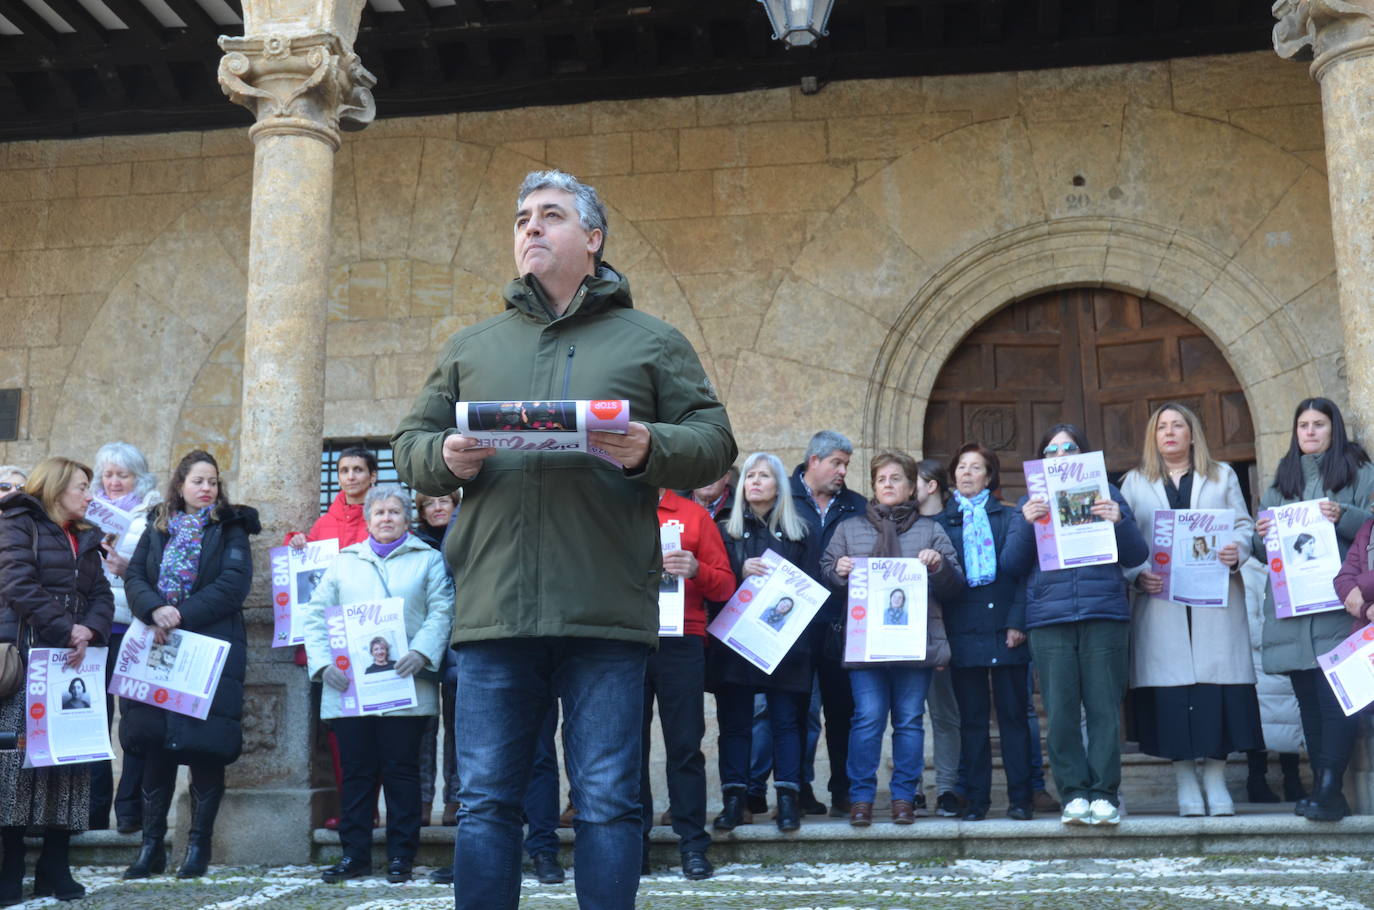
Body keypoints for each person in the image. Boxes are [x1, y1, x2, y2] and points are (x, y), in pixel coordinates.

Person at [392, 168, 735, 910]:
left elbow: (714, 441)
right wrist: (441, 460)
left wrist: (650, 447)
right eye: (521, 219)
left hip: (605, 609)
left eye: (550, 216)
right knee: (483, 801)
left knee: (608, 799)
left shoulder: (651, 341)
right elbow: (410, 440)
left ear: (593, 239)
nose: (531, 229)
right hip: (492, 611)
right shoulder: (472, 346)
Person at [121, 450, 260, 880]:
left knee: (206, 747)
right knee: (156, 742)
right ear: (179, 484)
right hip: (158, 647)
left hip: (209, 647)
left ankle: (197, 847)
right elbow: (135, 577)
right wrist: (154, 609)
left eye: (213, 482)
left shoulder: (230, 527)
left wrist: (178, 614)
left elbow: (233, 585)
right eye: (198, 481)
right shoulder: (156, 524)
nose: (206, 488)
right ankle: (151, 847)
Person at [304, 484, 454, 884]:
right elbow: (316, 615)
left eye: (394, 512)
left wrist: (422, 652)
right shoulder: (344, 562)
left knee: (402, 772)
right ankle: (355, 856)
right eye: (379, 513)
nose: (386, 518)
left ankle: (401, 857)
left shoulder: (429, 560)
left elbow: (442, 611)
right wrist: (321, 667)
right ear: (368, 519)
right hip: (351, 688)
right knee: (356, 773)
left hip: (407, 686)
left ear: (408, 518)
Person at [1002, 423, 1148, 827]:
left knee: (1103, 708)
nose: (1061, 455)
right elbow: (1011, 565)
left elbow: (1136, 555)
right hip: (1050, 619)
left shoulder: (1109, 494)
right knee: (1061, 711)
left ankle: (1104, 794)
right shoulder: (1027, 503)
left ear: (1083, 455)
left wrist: (1119, 520)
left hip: (1103, 614)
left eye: (1069, 448)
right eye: (1052, 450)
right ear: (1042, 460)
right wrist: (1029, 523)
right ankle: (1073, 794)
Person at [1120, 403, 1262, 817]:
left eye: (1177, 425)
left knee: (1216, 691)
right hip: (1161, 600)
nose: (1169, 432)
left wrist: (1237, 550)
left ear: (1192, 434)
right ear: (1153, 437)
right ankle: (1185, 780)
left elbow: (1243, 526)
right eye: (1161, 427)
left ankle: (1216, 780)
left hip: (1214, 601)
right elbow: (1123, 539)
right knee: (1172, 694)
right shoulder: (1133, 483)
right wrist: (1135, 574)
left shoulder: (1221, 475)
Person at [821, 451, 963, 827]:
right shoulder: (849, 529)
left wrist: (938, 565)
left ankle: (904, 798)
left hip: (914, 643)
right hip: (866, 643)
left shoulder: (931, 530)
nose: (888, 484)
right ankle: (862, 798)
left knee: (909, 721)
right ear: (873, 485)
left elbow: (954, 584)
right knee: (867, 718)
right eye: (881, 479)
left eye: (896, 478)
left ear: (910, 486)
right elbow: (825, 574)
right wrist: (838, 569)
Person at [0, 457, 114, 904]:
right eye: (82, 487)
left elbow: (101, 594)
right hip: (28, 662)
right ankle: (10, 870)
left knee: (68, 763)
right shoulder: (18, 522)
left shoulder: (85, 537)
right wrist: (66, 629)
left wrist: (90, 629)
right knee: (16, 769)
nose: (90, 496)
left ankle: (55, 864)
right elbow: (16, 583)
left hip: (72, 668)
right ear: (56, 487)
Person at [1255, 397, 1374, 821]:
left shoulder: (1359, 472)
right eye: (1302, 424)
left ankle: (1329, 787)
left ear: (1333, 429)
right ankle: (1327, 791)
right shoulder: (1282, 479)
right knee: (1308, 700)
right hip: (1293, 611)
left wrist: (1343, 514)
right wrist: (1260, 534)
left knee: (1335, 698)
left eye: (1318, 424)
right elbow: (1263, 551)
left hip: (1339, 608)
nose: (1309, 432)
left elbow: (1372, 525)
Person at [711, 453, 818, 833]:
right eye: (750, 475)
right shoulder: (725, 531)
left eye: (765, 476)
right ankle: (735, 799)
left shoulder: (801, 531)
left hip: (786, 645)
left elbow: (812, 590)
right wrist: (738, 572)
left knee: (787, 722)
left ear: (779, 486)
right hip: (736, 644)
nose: (755, 481)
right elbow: (712, 585)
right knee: (735, 725)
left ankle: (787, 798)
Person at [935, 443, 1036, 822]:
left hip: (1006, 628)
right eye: (961, 467)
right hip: (963, 631)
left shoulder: (1010, 518)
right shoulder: (942, 524)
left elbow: (1023, 572)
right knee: (973, 722)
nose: (966, 473)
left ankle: (1021, 799)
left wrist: (1018, 621)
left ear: (989, 477)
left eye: (975, 468)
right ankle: (977, 800)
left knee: (1013, 718)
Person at [638, 488, 734, 880]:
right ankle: (632, 846)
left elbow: (726, 586)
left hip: (682, 639)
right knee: (627, 749)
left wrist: (697, 570)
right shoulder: (611, 506)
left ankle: (693, 845)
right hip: (624, 641)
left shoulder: (693, 515)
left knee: (685, 746)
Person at [789, 430, 868, 817]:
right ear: (813, 461)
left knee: (843, 712)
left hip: (841, 623)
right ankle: (798, 789)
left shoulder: (856, 506)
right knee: (798, 712)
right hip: (793, 626)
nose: (842, 471)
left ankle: (844, 790)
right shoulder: (782, 498)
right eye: (837, 462)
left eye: (846, 465)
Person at [89, 442, 161, 833]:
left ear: (139, 478)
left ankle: (130, 811)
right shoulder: (86, 511)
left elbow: (159, 569)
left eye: (123, 475)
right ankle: (92, 811)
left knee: (133, 722)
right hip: (93, 625)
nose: (114, 482)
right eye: (109, 474)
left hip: (132, 626)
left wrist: (126, 566)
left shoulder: (152, 513)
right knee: (93, 718)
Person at [911, 460, 965, 818]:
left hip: (943, 634)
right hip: (904, 634)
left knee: (945, 715)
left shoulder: (954, 525)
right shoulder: (901, 525)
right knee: (908, 714)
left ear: (931, 486)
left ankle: (947, 788)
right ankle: (910, 787)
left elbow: (958, 583)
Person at [414, 490, 461, 827]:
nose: (437, 507)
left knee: (460, 726)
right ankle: (421, 800)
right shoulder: (413, 545)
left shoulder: (468, 534)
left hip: (461, 639)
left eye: (444, 500)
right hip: (425, 642)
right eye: (429, 503)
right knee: (423, 726)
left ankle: (456, 800)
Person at [285, 447, 377, 551]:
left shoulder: (385, 518)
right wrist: (296, 542)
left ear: (372, 476)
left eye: (358, 470)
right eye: (344, 471)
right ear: (338, 479)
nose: (351, 477)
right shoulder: (322, 524)